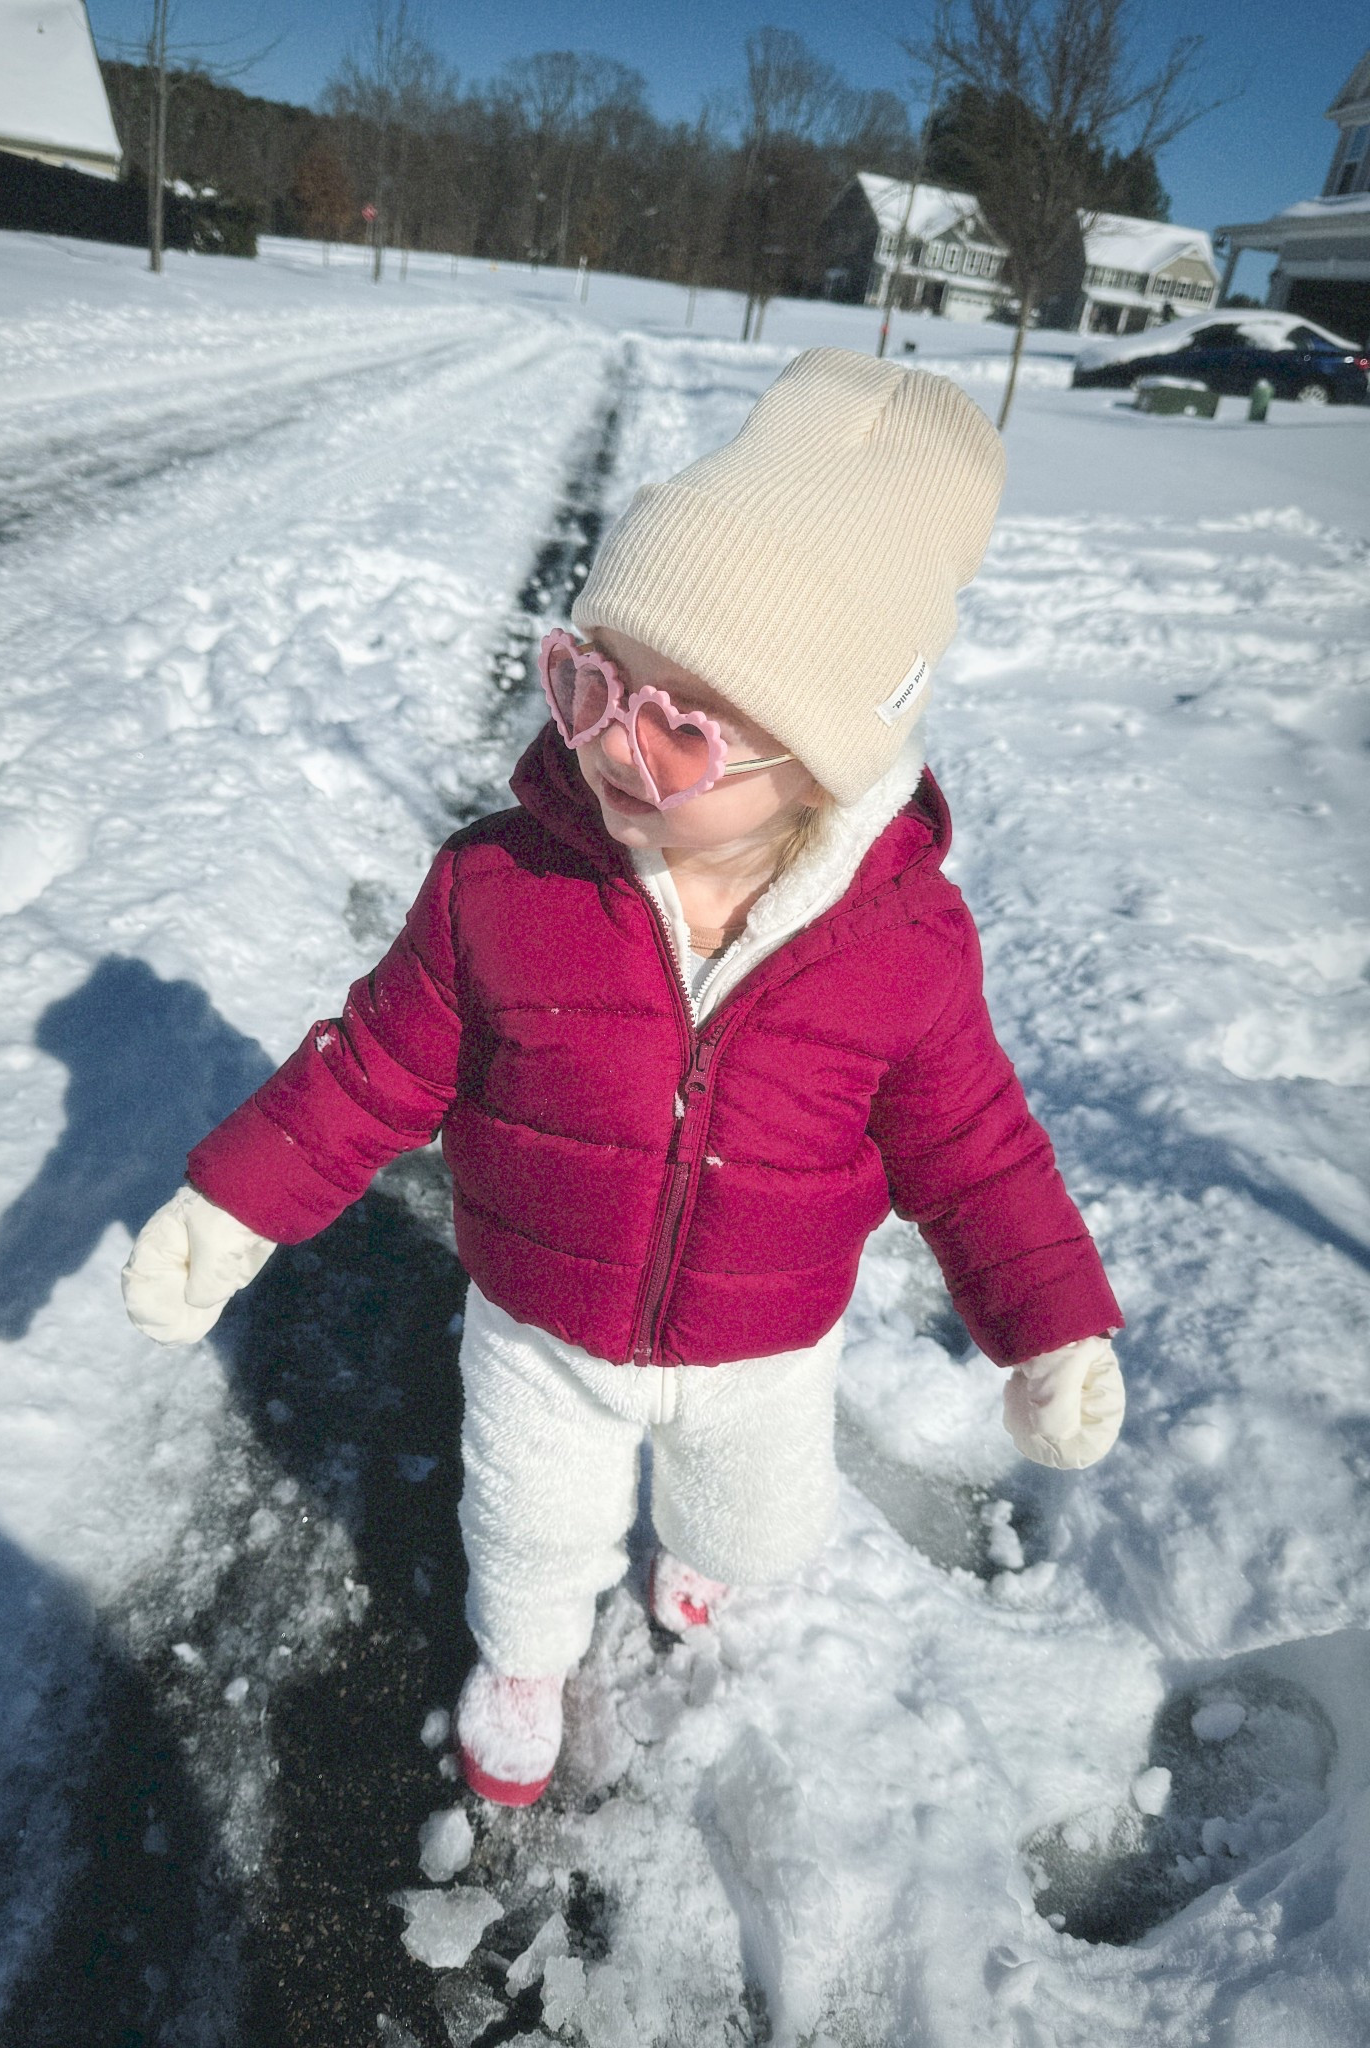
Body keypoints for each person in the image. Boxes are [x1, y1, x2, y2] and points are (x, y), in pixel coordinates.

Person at [122, 349, 1125, 1807]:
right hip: (542, 1324)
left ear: (826, 760)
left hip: (766, 1346)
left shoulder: (902, 948)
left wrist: (1050, 1328)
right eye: (593, 681)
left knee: (756, 1521)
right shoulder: (503, 885)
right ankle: (525, 1663)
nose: (611, 744)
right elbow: (373, 1067)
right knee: (528, 1530)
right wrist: (232, 1209)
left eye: (684, 725)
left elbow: (974, 1150)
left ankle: (703, 1565)